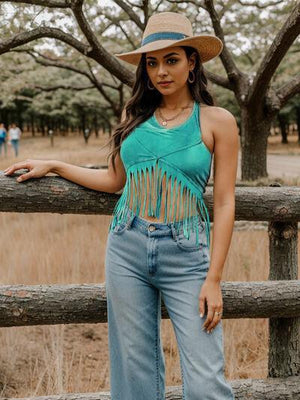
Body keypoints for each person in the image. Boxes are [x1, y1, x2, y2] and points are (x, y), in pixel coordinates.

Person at [3, 11, 239, 400]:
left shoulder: (217, 121)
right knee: (134, 377)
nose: (161, 71)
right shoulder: (135, 116)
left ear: (193, 61)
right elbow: (114, 181)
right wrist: (57, 165)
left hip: (188, 255)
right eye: (152, 62)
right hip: (126, 246)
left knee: (206, 384)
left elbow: (227, 201)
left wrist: (214, 278)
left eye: (172, 59)